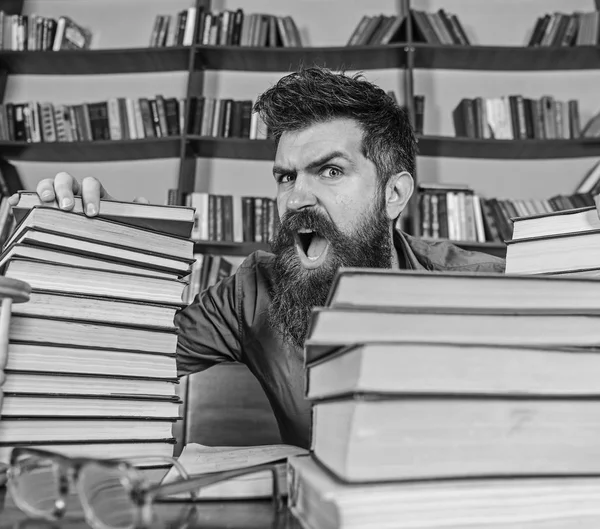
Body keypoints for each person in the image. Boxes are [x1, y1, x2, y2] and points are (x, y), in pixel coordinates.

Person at [9, 66, 506, 449]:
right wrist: (99, 251)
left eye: (330, 171)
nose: (295, 200)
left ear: (394, 194)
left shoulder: (491, 288)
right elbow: (114, 358)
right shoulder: (253, 291)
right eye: (286, 177)